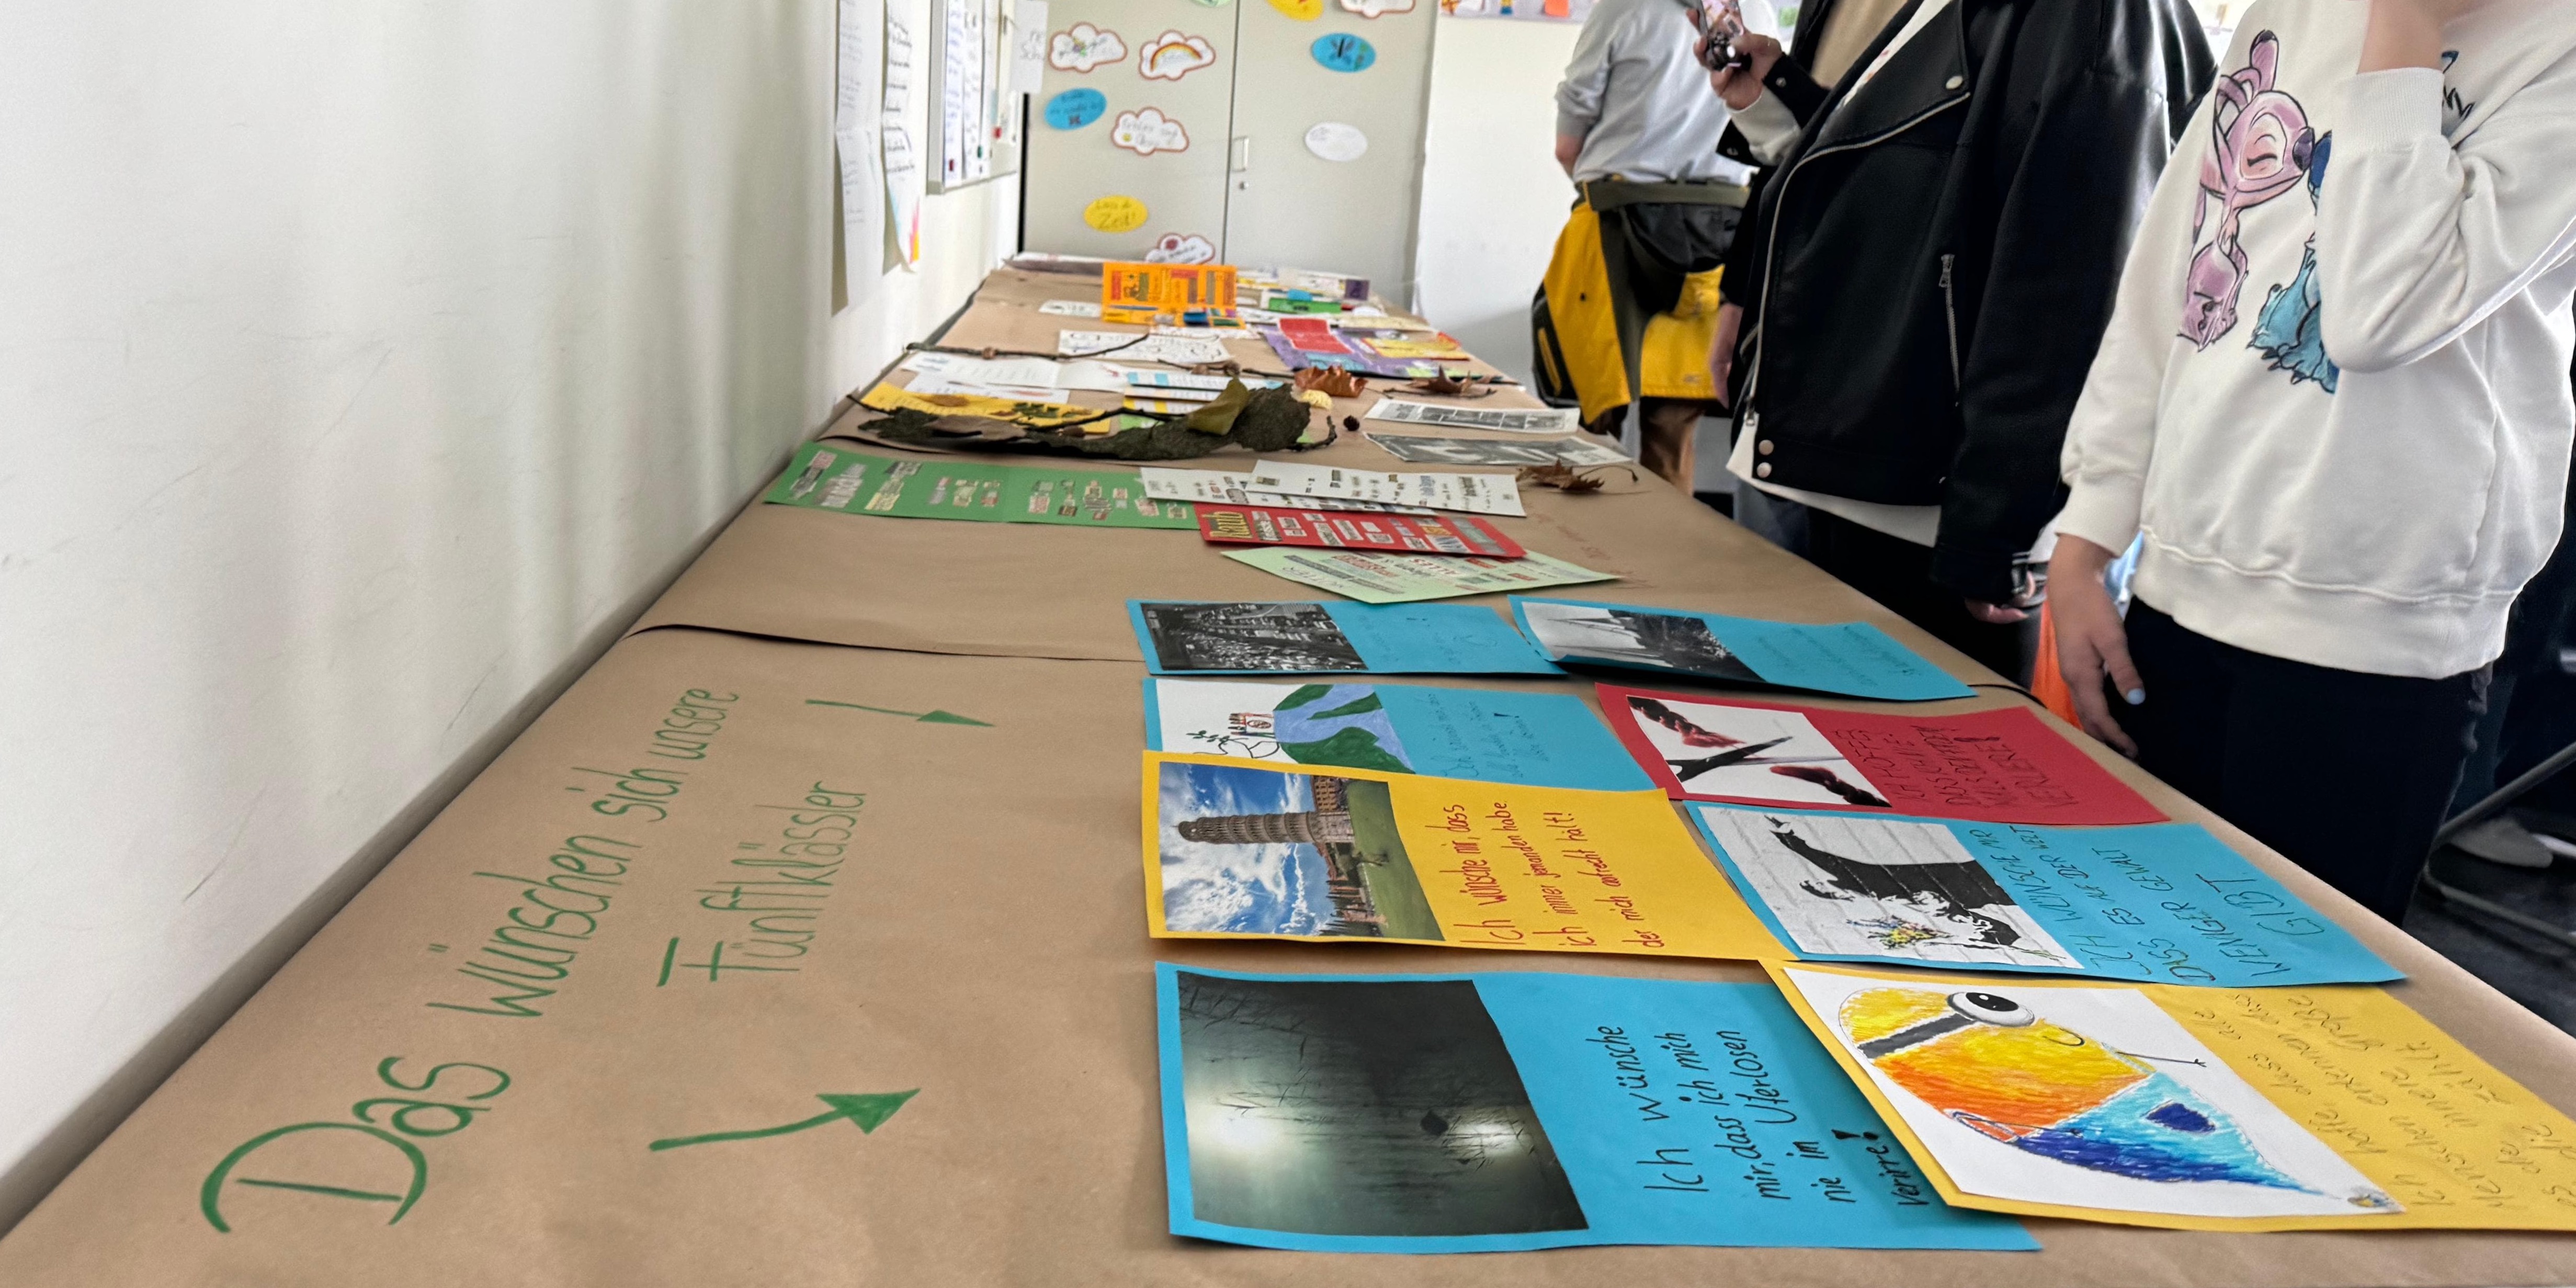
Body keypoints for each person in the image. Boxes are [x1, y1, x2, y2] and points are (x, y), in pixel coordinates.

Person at [2051, 0, 2576, 922]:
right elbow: (2173, 271)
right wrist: (2089, 530)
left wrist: (2405, 29)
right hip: (2178, 586)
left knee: (2276, 996)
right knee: (2121, 951)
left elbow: (2377, 313)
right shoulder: (2296, 10)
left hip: (2376, 635)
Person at [1703, 0, 2212, 681]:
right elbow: (1906, 187)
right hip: (1829, 456)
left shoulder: (2091, 17)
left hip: (1924, 508)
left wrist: (1999, 529)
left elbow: (2071, 283)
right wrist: (1780, 101)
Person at [1533, 0, 1777, 489]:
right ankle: (1666, 537)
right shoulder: (1757, 9)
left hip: (1615, 217)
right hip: (1723, 227)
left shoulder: (1623, 7)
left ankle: (1584, 533)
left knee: (1588, 425)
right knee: (1673, 427)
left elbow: (1572, 122)